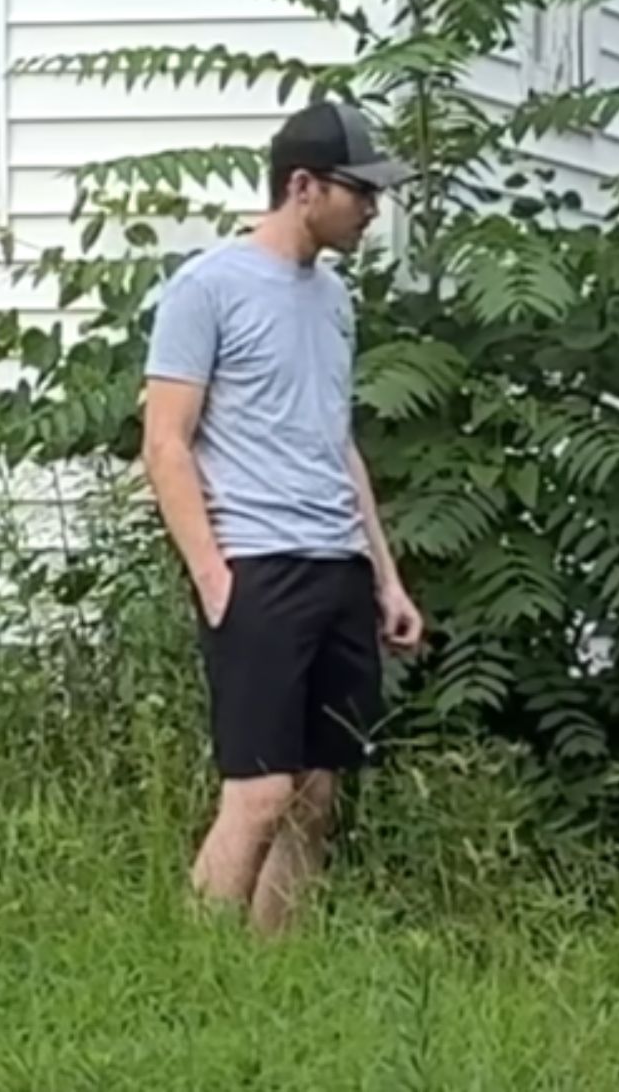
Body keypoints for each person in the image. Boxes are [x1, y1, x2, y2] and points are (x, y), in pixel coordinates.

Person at [140, 100, 426, 935]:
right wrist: (215, 580)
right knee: (259, 791)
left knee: (316, 792)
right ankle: (194, 986)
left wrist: (385, 576)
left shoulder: (333, 299)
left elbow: (337, 442)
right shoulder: (208, 287)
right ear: (302, 187)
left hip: (336, 564)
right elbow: (165, 443)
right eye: (359, 191)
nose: (373, 208)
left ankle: (271, 979)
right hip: (257, 567)